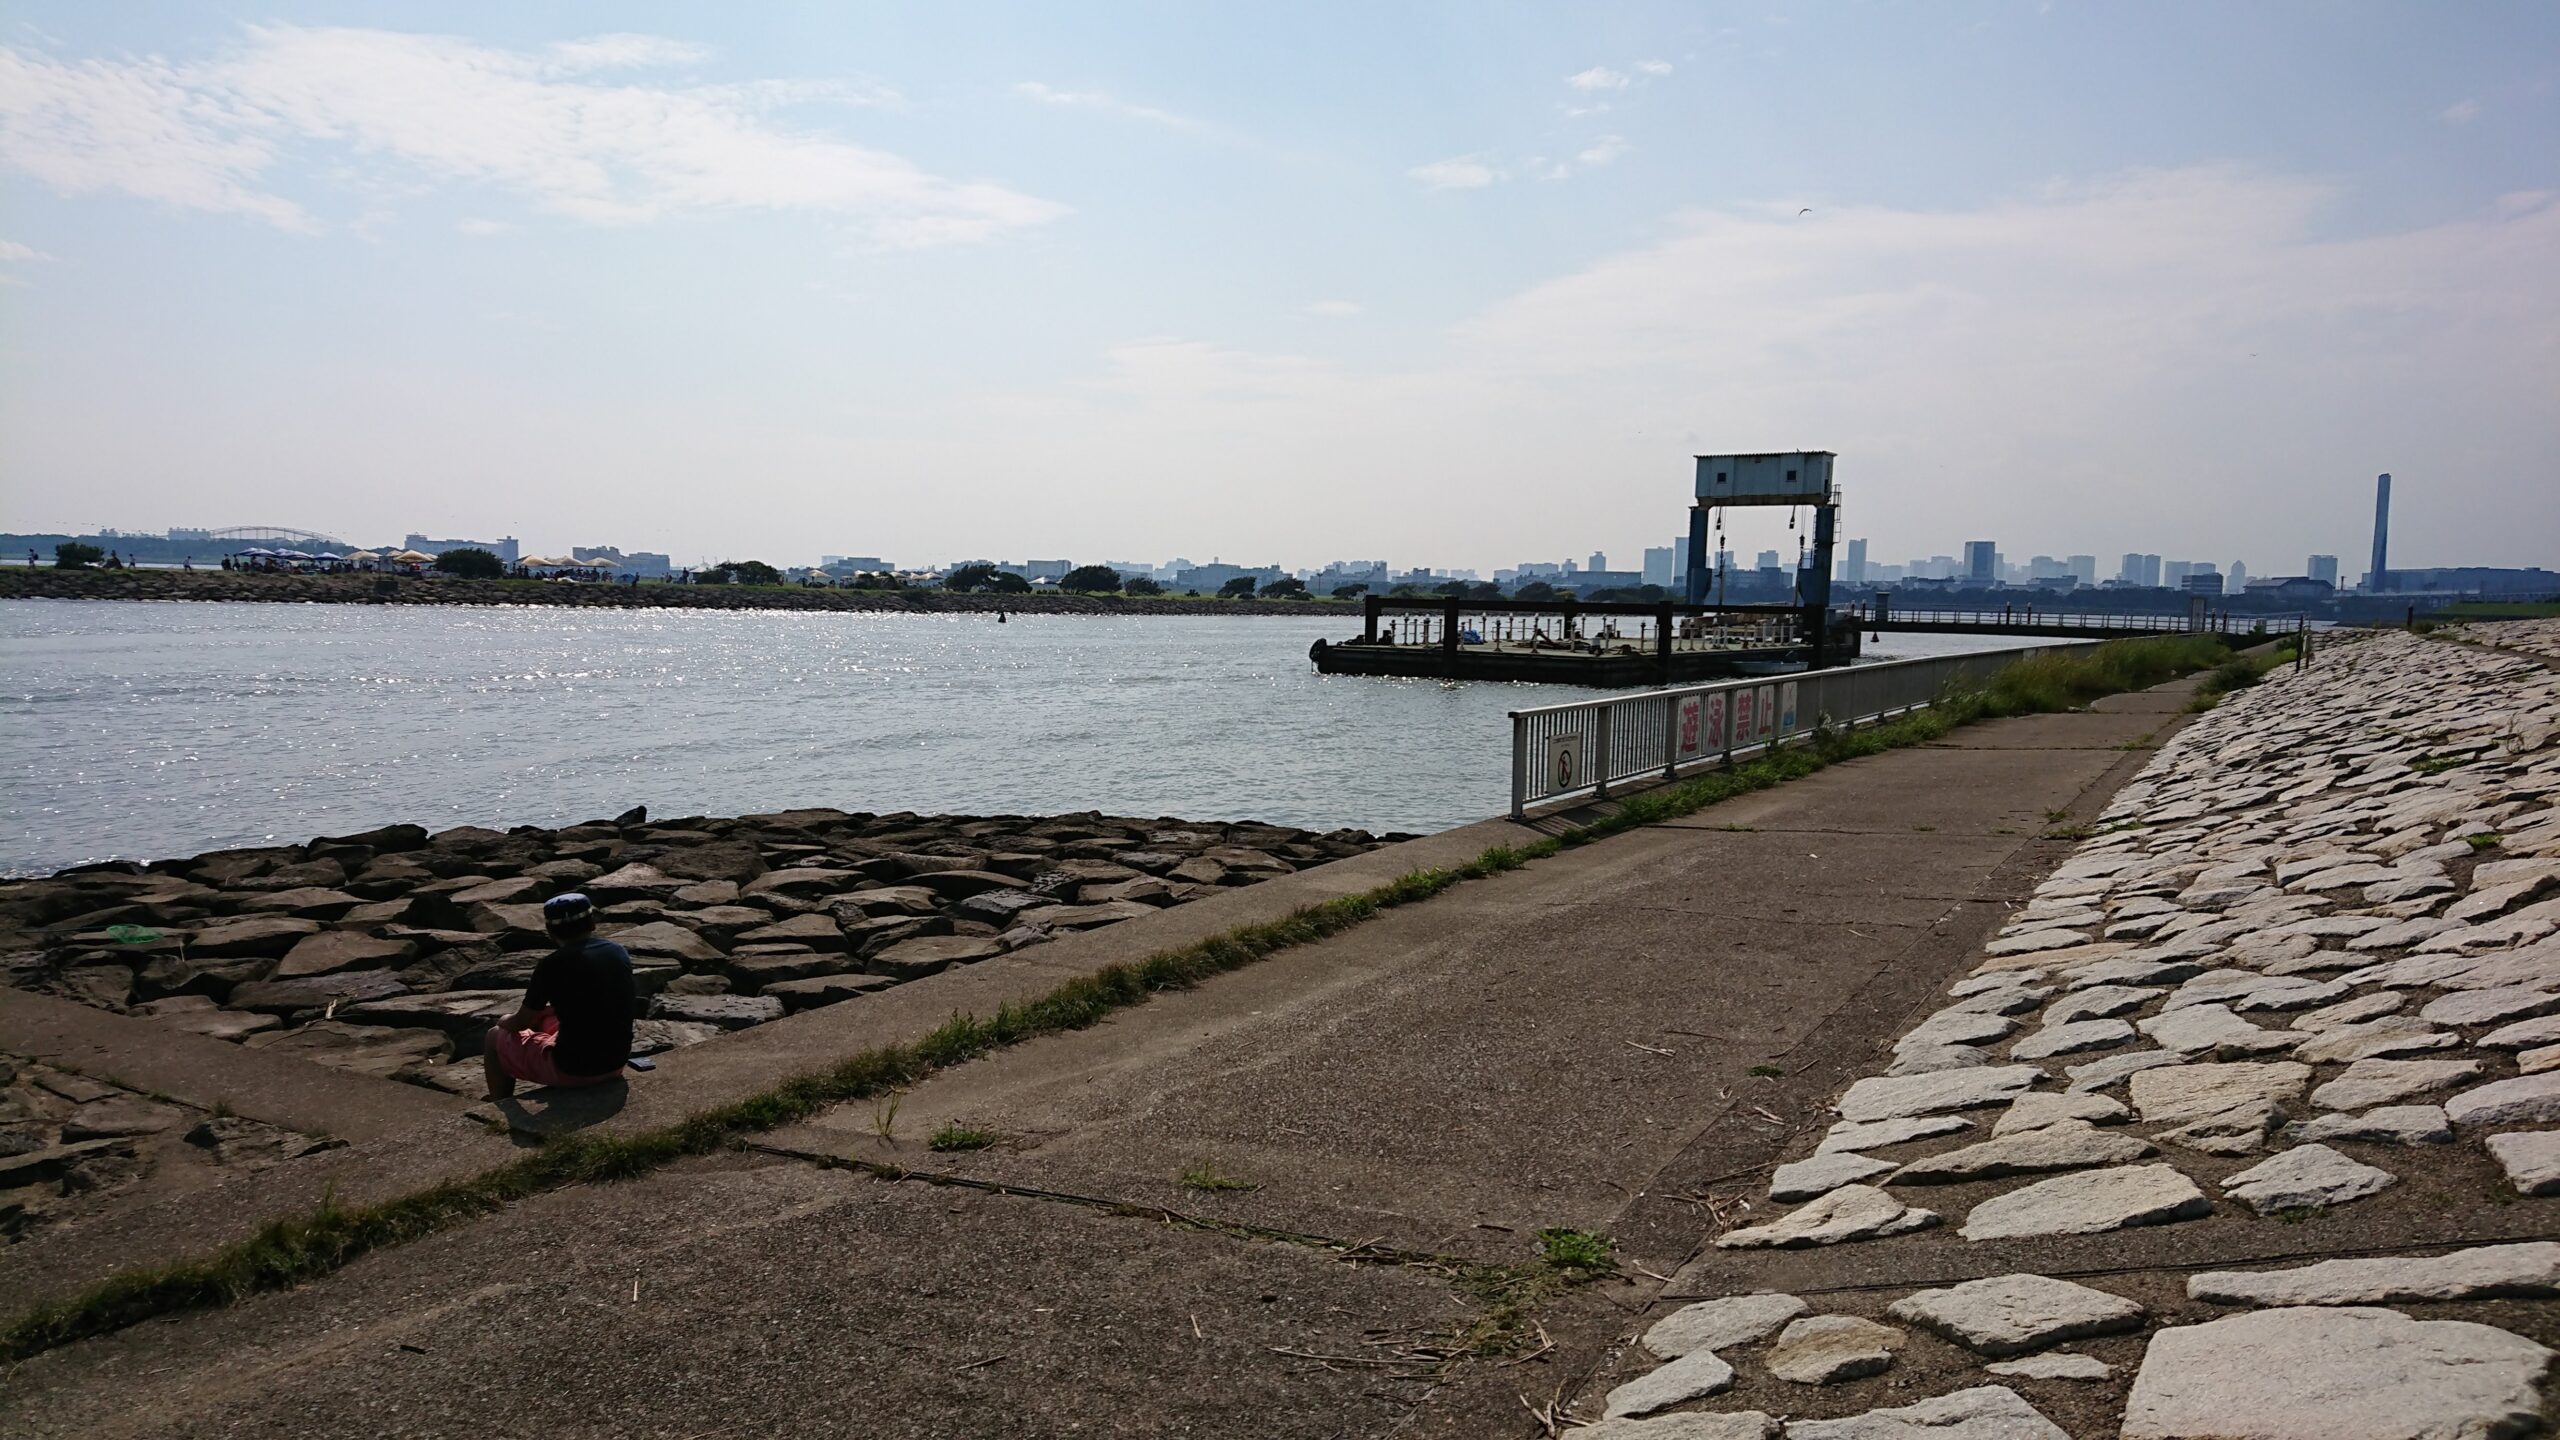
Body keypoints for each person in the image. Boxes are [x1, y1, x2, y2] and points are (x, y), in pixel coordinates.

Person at [483, 893, 635, 1099]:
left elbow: (521, 1022)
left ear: (550, 932)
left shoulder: (551, 964)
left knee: (494, 1035)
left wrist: (503, 1020)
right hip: (615, 1063)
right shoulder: (617, 951)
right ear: (592, 924)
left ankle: (499, 1103)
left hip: (572, 1071)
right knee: (546, 1017)